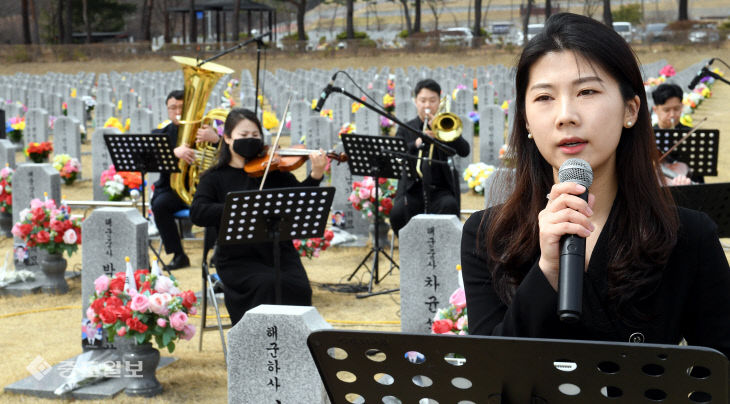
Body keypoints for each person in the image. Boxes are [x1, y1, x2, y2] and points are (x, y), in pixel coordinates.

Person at [461, 13, 730, 358]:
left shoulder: (688, 236)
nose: (565, 115)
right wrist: (548, 271)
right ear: (527, 121)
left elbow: (720, 372)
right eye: (544, 98)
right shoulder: (487, 235)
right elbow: (490, 372)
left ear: (630, 110)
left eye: (587, 91)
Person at [190, 107, 327, 325]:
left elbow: (301, 199)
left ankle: (294, 351)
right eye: (243, 135)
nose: (250, 140)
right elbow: (198, 212)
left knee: (298, 287)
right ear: (226, 138)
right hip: (238, 259)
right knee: (267, 285)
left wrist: (316, 174)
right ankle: (258, 350)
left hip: (280, 253)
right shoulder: (214, 177)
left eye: (255, 135)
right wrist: (237, 207)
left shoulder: (273, 172)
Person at [389, 79, 470, 235]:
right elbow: (396, 152)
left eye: (432, 101)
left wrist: (443, 134)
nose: (427, 106)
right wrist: (416, 143)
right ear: (416, 102)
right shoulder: (406, 127)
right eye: (423, 101)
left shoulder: (445, 125)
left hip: (440, 190)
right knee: (398, 213)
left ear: (439, 102)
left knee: (449, 206)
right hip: (412, 188)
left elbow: (464, 150)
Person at [151, 90, 220, 270]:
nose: (177, 111)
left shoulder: (205, 131)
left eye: (181, 107)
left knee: (215, 205)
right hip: (174, 191)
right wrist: (174, 153)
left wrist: (216, 140)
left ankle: (216, 252)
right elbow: (152, 162)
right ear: (167, 110)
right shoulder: (161, 134)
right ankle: (178, 254)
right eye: (172, 108)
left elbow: (227, 157)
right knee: (159, 205)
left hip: (202, 190)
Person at [651, 83, 696, 185]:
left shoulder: (691, 134)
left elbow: (698, 175)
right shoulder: (648, 136)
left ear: (682, 107)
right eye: (666, 110)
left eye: (676, 109)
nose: (672, 115)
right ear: (656, 110)